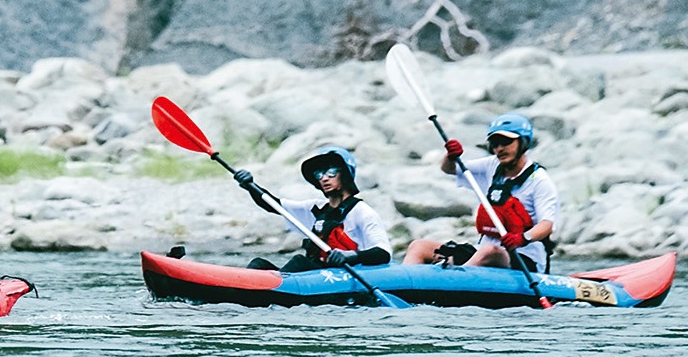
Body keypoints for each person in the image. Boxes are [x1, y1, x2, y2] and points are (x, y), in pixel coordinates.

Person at [402, 112, 559, 271]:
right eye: (495, 143)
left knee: (490, 251)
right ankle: (401, 287)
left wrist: (522, 238)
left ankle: (453, 282)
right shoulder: (491, 165)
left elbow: (547, 225)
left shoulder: (539, 180)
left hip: (525, 261)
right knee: (419, 246)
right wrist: (450, 156)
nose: (499, 148)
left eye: (506, 142)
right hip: (482, 255)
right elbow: (450, 169)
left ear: (524, 142)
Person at [234, 147, 391, 272]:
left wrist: (352, 256)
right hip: (316, 274)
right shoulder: (316, 209)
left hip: (347, 276)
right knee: (258, 264)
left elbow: (383, 253)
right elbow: (272, 205)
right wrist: (250, 185)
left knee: (299, 261)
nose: (323, 178)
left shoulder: (362, 212)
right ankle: (243, 287)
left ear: (345, 175)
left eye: (331, 172)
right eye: (319, 174)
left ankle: (267, 291)